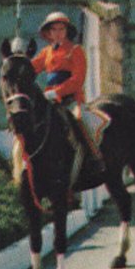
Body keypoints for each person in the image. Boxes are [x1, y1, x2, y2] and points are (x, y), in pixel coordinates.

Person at [31, 11, 104, 175]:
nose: (58, 33)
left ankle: (94, 156)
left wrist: (57, 91)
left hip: (71, 99)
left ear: (67, 31)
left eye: (61, 29)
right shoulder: (46, 52)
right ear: (49, 33)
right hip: (50, 100)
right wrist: (18, 56)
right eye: (54, 30)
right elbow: (31, 68)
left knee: (79, 119)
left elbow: (78, 80)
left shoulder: (76, 50)